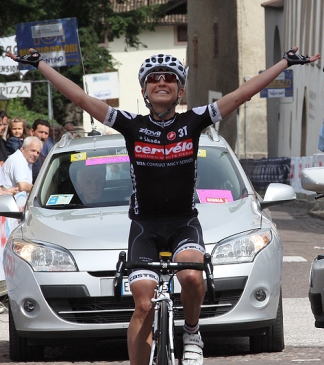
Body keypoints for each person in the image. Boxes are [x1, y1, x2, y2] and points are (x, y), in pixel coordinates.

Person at [6, 47, 320, 365]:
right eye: (153, 78)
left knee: (193, 276)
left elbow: (240, 96)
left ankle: (193, 333)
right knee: (143, 305)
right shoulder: (132, 125)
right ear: (144, 90)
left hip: (184, 223)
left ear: (180, 89)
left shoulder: (194, 121)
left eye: (169, 78)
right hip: (145, 228)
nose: (161, 82)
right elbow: (82, 99)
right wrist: (41, 64)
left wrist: (284, 63)